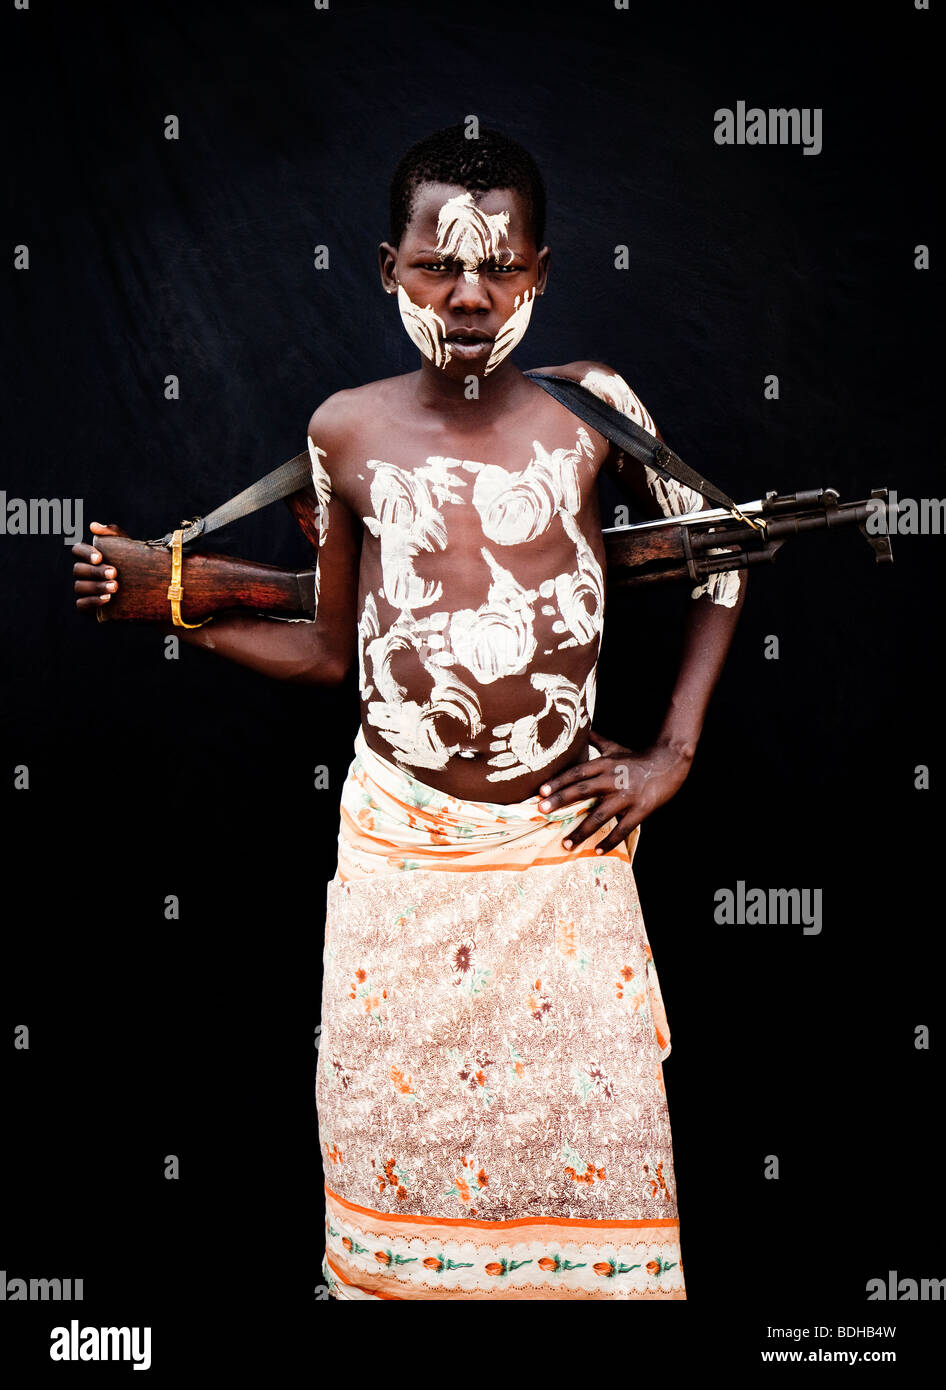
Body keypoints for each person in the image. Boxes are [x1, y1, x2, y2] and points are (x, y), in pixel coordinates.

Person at [73, 124, 745, 1299]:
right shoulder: (346, 430)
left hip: (555, 849)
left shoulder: (594, 412)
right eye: (440, 264)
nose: (470, 293)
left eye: (501, 266)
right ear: (389, 267)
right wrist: (170, 605)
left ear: (540, 272)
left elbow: (728, 554)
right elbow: (334, 652)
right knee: (397, 1151)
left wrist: (670, 754)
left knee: (595, 1151)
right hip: (401, 852)